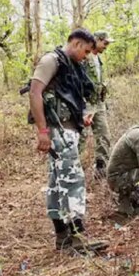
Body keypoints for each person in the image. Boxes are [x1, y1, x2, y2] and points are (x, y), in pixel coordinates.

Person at [29, 28, 108, 252]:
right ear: (75, 44)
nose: (86, 56)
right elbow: (35, 93)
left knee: (57, 182)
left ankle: (62, 237)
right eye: (85, 51)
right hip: (57, 130)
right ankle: (77, 237)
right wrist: (42, 131)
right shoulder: (51, 60)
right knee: (73, 180)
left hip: (67, 129)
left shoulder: (71, 66)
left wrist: (82, 116)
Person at [79, 30, 114, 178]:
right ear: (97, 41)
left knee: (104, 135)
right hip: (85, 103)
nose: (106, 46)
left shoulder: (98, 59)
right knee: (80, 138)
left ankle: (101, 168)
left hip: (98, 103)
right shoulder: (84, 58)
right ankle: (74, 169)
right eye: (105, 43)